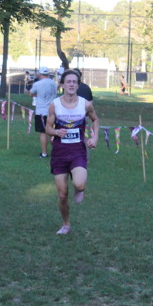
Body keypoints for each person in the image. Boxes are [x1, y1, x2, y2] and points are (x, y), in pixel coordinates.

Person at [46, 69, 99, 235]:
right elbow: (47, 128)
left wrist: (95, 137)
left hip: (78, 152)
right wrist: (56, 132)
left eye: (74, 82)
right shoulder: (55, 104)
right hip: (59, 153)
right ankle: (66, 224)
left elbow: (95, 120)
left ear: (78, 85)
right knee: (62, 195)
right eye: (68, 81)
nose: (71, 84)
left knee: (80, 183)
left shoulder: (85, 104)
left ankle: (79, 189)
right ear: (62, 85)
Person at [29, 66, 58, 158]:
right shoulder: (53, 83)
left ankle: (44, 153)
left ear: (39, 74)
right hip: (53, 110)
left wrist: (37, 94)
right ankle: (56, 152)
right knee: (53, 131)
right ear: (48, 74)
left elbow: (31, 93)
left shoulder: (37, 84)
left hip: (41, 111)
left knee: (43, 132)